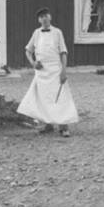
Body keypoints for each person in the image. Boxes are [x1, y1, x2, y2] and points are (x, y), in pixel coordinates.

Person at [18, 8, 79, 137]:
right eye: (41, 17)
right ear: (38, 20)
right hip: (41, 72)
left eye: (46, 16)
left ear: (50, 17)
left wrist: (63, 71)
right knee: (43, 98)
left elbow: (63, 53)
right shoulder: (36, 33)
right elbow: (28, 51)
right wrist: (33, 63)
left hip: (55, 70)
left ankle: (63, 126)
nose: (44, 18)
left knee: (60, 97)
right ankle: (48, 124)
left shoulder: (57, 32)